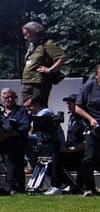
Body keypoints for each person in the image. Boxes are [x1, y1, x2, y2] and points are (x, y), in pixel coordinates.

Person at [67, 62, 100, 194]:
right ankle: (88, 187)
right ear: (96, 76)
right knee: (89, 158)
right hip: (93, 128)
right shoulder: (88, 87)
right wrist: (91, 119)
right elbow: (78, 107)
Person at [0, 88, 30, 192]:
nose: (10, 99)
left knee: (16, 165)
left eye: (12, 97)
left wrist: (8, 135)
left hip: (16, 143)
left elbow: (25, 126)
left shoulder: (21, 110)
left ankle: (16, 188)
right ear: (2, 98)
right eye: (7, 97)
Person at [21, 21, 67, 108]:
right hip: (27, 82)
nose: (25, 37)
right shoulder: (32, 46)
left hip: (39, 83)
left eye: (27, 34)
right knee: (27, 109)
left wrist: (49, 69)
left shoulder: (47, 44)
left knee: (38, 107)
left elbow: (62, 57)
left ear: (34, 32)